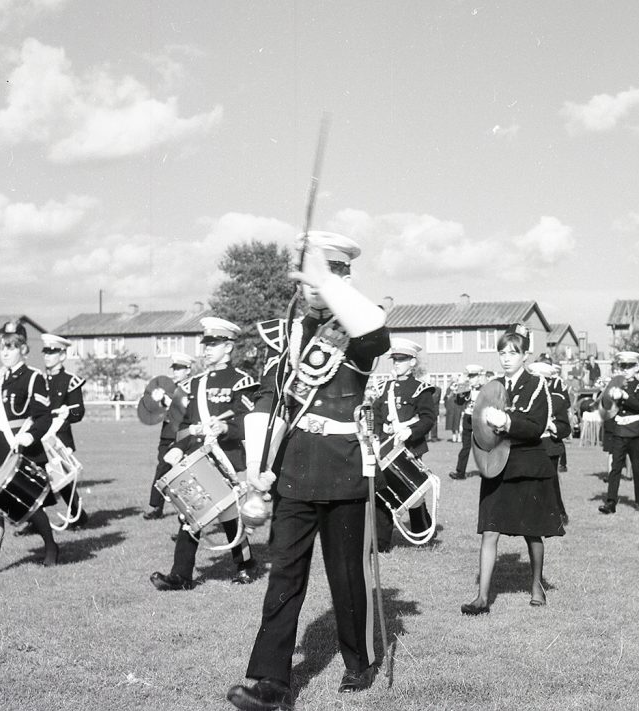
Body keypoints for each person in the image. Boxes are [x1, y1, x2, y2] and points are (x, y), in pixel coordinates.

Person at [227, 231, 390, 711]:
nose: (313, 285)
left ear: (343, 276)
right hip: (294, 468)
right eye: (310, 273)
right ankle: (270, 682)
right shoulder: (287, 332)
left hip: (343, 470)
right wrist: (257, 470)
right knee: (284, 576)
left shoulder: (357, 324)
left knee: (346, 576)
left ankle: (358, 662)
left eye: (328, 273)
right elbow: (268, 401)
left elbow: (373, 332)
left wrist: (328, 284)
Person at [460, 324, 564, 616]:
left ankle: (536, 586)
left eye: (513, 353)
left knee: (532, 533)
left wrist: (507, 422)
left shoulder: (537, 385)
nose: (506, 358)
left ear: (525, 355)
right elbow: (480, 431)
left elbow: (536, 426)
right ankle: (481, 598)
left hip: (527, 465)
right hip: (497, 466)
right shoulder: (493, 387)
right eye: (502, 352)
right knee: (489, 531)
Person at [150, 318, 259, 590]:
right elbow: (184, 425)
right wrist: (176, 448)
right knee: (191, 513)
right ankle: (181, 575)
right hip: (197, 456)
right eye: (206, 344)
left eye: (214, 344)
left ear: (229, 346)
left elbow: (249, 419)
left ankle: (245, 565)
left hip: (226, 458)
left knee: (230, 516)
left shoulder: (241, 381)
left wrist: (226, 426)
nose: (207, 349)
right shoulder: (193, 384)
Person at [0, 321, 61, 574]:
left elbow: (44, 416)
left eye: (11, 348)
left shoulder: (33, 378)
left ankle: (51, 546)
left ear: (23, 350)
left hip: (20, 450)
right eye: (2, 348)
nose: (5, 352)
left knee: (29, 505)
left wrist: (31, 435)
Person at [371, 338, 438, 552]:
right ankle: (381, 543)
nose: (397, 363)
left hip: (409, 448)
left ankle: (422, 532)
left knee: (413, 492)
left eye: (402, 359)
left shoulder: (420, 389)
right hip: (386, 446)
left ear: (412, 362)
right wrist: (375, 438)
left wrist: (411, 431)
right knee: (382, 492)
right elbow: (376, 417)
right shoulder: (384, 388)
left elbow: (428, 417)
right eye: (395, 359)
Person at [39, 334, 88, 529]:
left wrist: (68, 412)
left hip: (59, 437)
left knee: (63, 482)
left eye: (52, 352)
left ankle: (77, 515)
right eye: (46, 352)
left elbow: (79, 411)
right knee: (40, 479)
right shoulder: (39, 379)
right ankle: (38, 520)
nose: (47, 356)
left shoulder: (70, 381)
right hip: (39, 436)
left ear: (62, 356)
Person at [599, 352, 639, 513]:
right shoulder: (615, 383)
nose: (625, 370)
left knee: (637, 469)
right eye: (622, 366)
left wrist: (624, 395)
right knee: (615, 468)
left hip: (635, 431)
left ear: (636, 367)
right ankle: (610, 502)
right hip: (619, 430)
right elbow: (605, 406)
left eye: (629, 366)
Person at [142, 352, 194, 520]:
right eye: (175, 368)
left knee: (185, 473)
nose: (176, 371)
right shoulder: (170, 388)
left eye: (179, 368)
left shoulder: (193, 386)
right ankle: (156, 507)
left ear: (188, 370)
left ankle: (191, 509)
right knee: (162, 469)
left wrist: (167, 401)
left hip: (183, 435)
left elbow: (185, 409)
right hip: (167, 434)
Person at [529, 360, 571, 524]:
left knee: (550, 482)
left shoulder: (557, 400)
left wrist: (553, 426)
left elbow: (565, 427)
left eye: (540, 380)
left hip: (549, 446)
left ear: (548, 381)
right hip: (530, 445)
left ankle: (559, 513)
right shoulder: (525, 399)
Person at [449, 364, 485, 480]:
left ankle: (486, 471)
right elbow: (459, 403)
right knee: (465, 446)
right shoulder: (466, 389)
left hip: (480, 420)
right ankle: (460, 472)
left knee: (482, 447)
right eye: (469, 376)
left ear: (479, 377)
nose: (470, 379)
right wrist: (459, 392)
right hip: (468, 419)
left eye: (473, 377)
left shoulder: (485, 389)